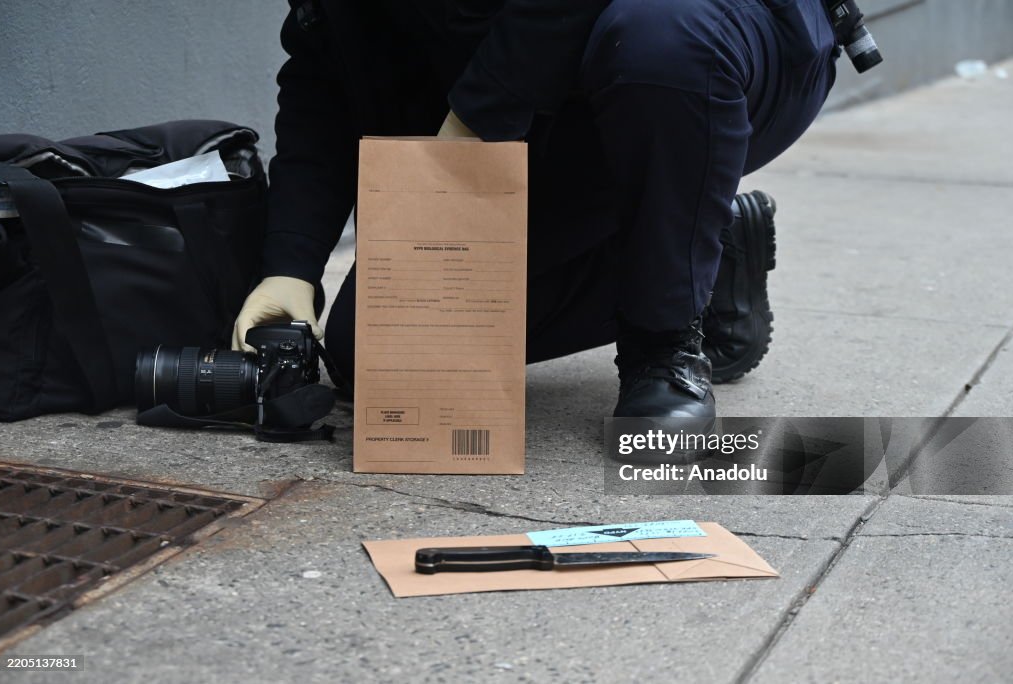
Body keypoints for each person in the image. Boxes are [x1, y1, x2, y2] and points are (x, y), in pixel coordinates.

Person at [233, 0, 841, 418]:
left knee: (658, 38)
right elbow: (326, 69)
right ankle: (704, 245)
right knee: (372, 351)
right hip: (552, 109)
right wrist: (291, 266)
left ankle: (664, 343)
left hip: (713, 45)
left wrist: (474, 118)